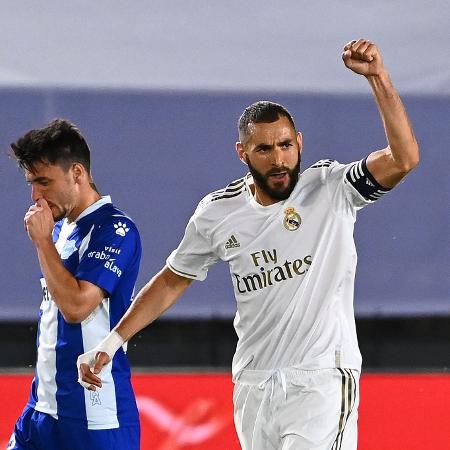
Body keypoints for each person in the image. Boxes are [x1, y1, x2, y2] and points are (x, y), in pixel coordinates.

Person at [78, 39, 419, 449]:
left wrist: (378, 78)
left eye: (285, 145)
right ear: (242, 153)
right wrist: (113, 341)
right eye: (264, 149)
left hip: (321, 380)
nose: (278, 159)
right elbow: (173, 279)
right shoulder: (217, 213)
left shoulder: (331, 188)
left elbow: (403, 158)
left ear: (300, 144)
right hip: (254, 386)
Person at [7, 119, 142, 450]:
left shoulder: (116, 230)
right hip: (41, 413)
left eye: (43, 182)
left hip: (95, 420)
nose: (35, 195)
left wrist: (42, 244)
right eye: (31, 183)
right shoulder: (59, 230)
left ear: (77, 174)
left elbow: (77, 307)